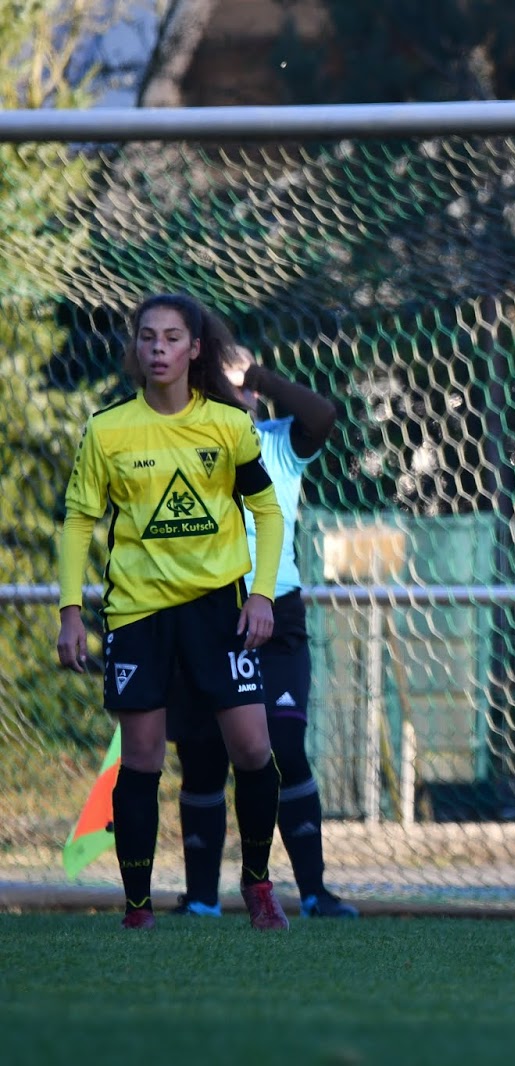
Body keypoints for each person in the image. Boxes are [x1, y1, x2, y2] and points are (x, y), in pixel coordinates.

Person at [56, 292, 290, 931]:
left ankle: (259, 884)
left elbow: (266, 514)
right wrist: (70, 611)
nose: (157, 349)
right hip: (138, 615)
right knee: (143, 758)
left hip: (219, 610)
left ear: (194, 349)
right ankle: (137, 907)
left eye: (170, 338)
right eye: (147, 338)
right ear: (135, 349)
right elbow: (79, 521)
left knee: (252, 746)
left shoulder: (228, 425)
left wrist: (262, 594)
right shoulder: (108, 430)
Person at [169, 345, 359, 919]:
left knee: (281, 748)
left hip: (274, 615)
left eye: (245, 386)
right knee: (202, 756)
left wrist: (252, 372)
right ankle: (203, 899)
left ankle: (313, 893)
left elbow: (323, 413)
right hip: (202, 614)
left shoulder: (280, 440)